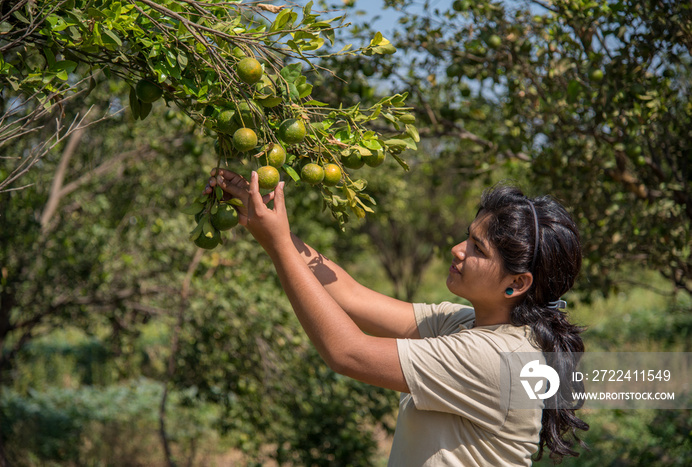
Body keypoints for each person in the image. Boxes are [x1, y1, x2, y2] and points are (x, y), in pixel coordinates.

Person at [208, 168, 589, 466]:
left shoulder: (494, 359)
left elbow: (347, 352)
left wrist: (276, 244)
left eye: (477, 248)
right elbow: (351, 295)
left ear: (517, 283)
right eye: (467, 237)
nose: (457, 250)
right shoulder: (464, 324)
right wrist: (265, 220)